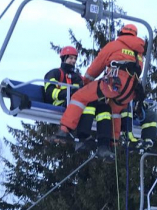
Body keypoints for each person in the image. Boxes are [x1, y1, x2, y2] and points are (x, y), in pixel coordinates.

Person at [52, 24, 147, 158]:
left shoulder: (115, 45)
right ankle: (112, 143)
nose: (73, 60)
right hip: (130, 92)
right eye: (71, 58)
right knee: (113, 111)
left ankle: (64, 129)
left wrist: (87, 82)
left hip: (114, 84)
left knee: (80, 97)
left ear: (121, 32)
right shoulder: (139, 54)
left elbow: (97, 65)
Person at [43, 46, 105, 144]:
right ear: (64, 58)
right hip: (60, 103)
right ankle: (83, 135)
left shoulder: (78, 77)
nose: (73, 61)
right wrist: (68, 94)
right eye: (71, 58)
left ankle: (104, 140)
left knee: (100, 105)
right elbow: (50, 93)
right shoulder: (54, 73)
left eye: (75, 58)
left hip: (76, 105)